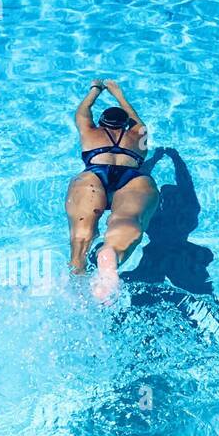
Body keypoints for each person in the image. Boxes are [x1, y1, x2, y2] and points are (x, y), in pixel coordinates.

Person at [65, 79, 159, 299]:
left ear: (101, 122)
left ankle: (78, 285)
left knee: (81, 236)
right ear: (126, 124)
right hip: (133, 179)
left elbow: (83, 110)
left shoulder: (90, 131)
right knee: (127, 222)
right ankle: (111, 253)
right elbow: (137, 120)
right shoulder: (138, 134)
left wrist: (95, 89)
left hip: (93, 177)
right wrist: (119, 94)